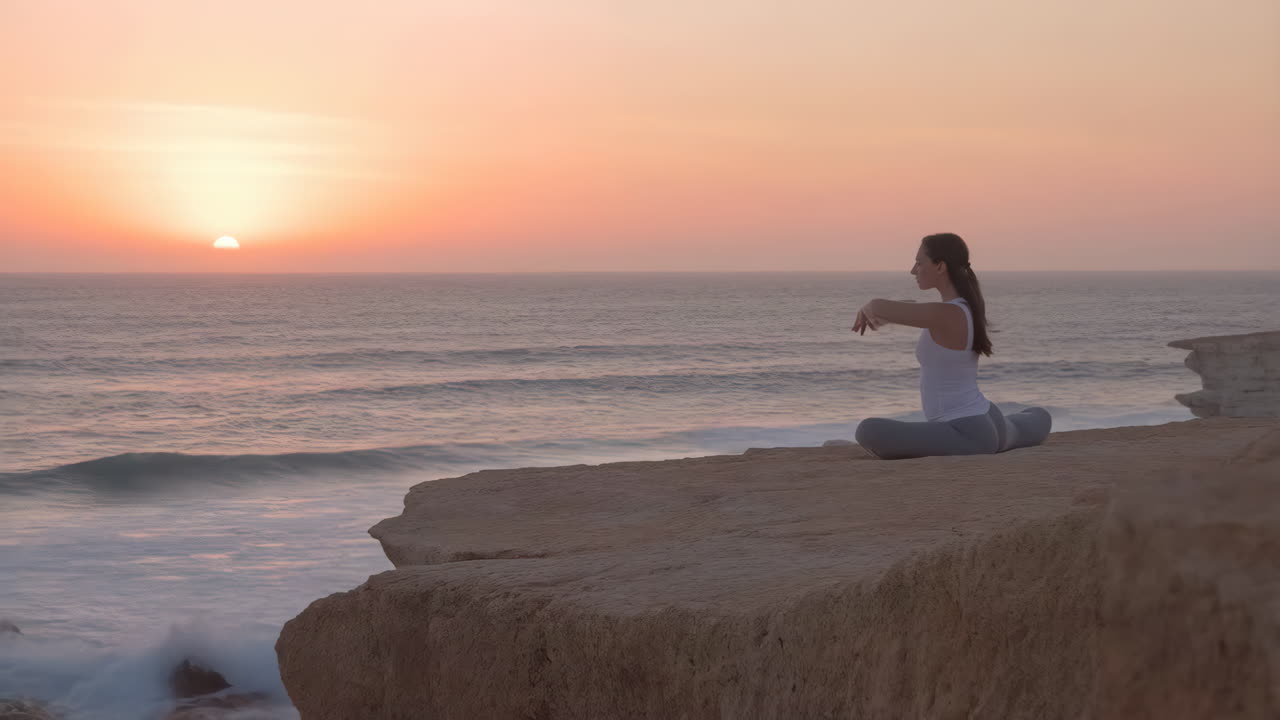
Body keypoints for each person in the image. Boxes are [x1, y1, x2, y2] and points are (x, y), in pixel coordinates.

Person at [851, 233, 1051, 459]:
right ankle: (1027, 423)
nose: (913, 270)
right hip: (986, 418)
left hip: (965, 432)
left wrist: (869, 308)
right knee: (1038, 417)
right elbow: (916, 312)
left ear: (940, 266)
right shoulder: (963, 308)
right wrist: (887, 315)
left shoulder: (947, 313)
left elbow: (878, 306)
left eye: (919, 262)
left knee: (868, 430)